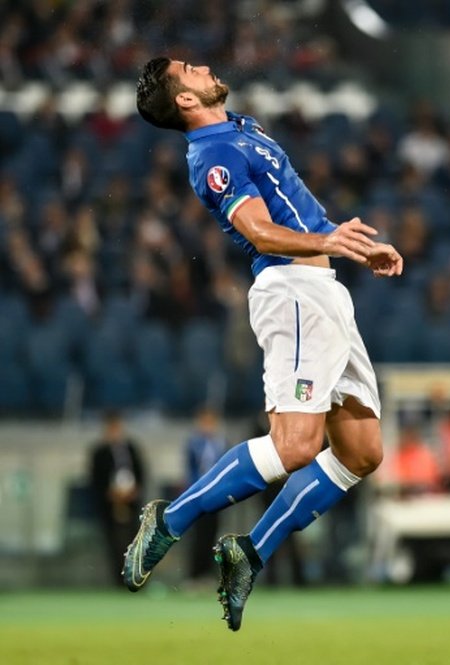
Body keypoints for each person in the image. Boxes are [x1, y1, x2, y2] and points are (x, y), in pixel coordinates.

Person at [123, 56, 403, 631]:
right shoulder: (213, 156)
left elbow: (287, 199)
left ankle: (249, 553)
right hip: (291, 290)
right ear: (183, 100)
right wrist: (327, 238)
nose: (201, 65)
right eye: (189, 69)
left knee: (362, 452)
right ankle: (170, 519)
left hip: (324, 290)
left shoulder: (240, 128)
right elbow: (254, 230)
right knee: (295, 445)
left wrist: (347, 247)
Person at [89, 412, 147, 584]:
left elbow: (141, 472)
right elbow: (95, 478)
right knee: (114, 543)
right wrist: (110, 494)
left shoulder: (131, 448)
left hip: (132, 502)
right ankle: (120, 580)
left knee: (135, 540)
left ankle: (138, 577)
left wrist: (135, 491)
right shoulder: (99, 452)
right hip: (110, 504)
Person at [182, 407, 227, 582]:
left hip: (217, 495)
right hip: (200, 494)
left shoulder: (221, 443)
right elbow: (190, 469)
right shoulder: (194, 443)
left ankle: (209, 574)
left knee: (214, 534)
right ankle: (195, 574)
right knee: (198, 536)